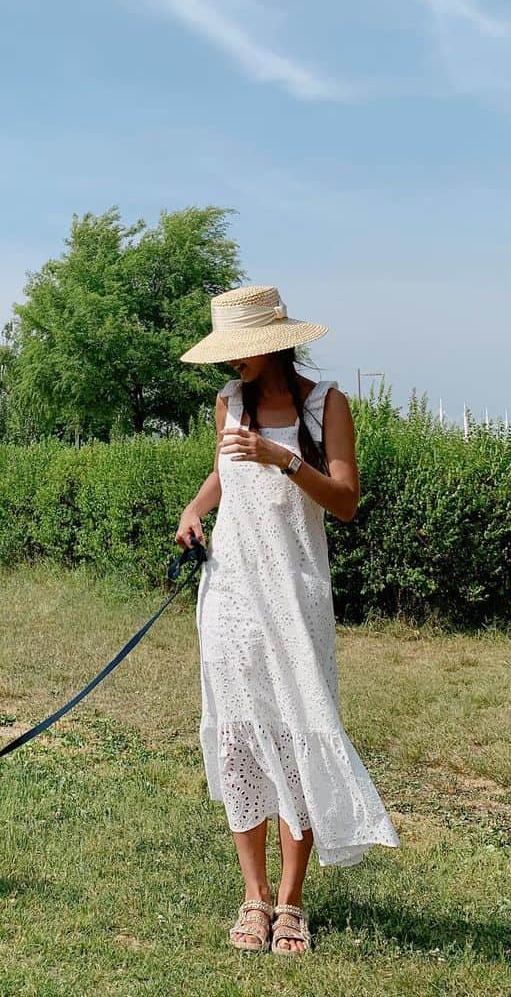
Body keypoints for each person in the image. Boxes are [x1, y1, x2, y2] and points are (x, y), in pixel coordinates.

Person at [176, 285, 399, 956]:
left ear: (273, 344)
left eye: (240, 354)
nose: (231, 367)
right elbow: (225, 474)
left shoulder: (326, 404)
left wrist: (287, 460)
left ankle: (293, 904)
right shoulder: (227, 404)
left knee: (298, 734)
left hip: (296, 596)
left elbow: (346, 501)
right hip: (230, 597)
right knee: (241, 739)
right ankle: (254, 896)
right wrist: (194, 510)